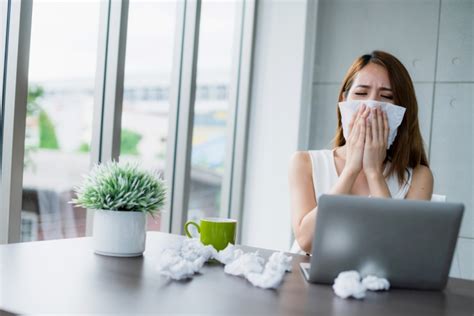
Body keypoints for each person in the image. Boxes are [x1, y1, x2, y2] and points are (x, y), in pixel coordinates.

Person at [289, 51, 434, 254]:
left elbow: (399, 249)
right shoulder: (304, 162)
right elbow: (307, 242)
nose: (371, 105)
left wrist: (374, 172)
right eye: (361, 93)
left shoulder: (419, 176)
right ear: (344, 99)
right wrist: (350, 170)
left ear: (402, 110)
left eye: (386, 97)